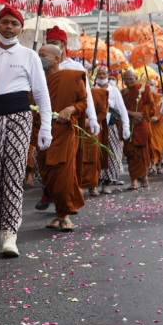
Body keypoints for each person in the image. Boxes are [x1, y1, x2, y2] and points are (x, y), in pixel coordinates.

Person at [0, 5, 52, 258]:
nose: (9, 27)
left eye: (15, 23)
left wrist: (46, 128)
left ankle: (9, 233)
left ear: (21, 29)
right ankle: (10, 216)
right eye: (5, 22)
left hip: (19, 118)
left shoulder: (30, 56)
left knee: (13, 172)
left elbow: (41, 92)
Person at [33, 45, 87, 232]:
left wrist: (70, 109)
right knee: (47, 174)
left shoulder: (72, 77)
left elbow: (83, 102)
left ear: (56, 59)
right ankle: (58, 212)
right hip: (42, 133)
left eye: (43, 55)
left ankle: (64, 215)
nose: (39, 58)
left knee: (63, 173)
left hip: (64, 133)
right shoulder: (35, 79)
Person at [45, 27, 100, 200]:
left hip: (70, 123)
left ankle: (68, 199)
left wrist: (92, 118)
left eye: (54, 43)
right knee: (46, 161)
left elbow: (87, 95)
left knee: (68, 162)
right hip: (47, 121)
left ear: (63, 45)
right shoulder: (42, 67)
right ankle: (50, 194)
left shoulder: (76, 67)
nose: (50, 46)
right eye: (48, 43)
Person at [95, 66, 131, 193]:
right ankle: (93, 183)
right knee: (95, 155)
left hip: (111, 126)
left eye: (104, 73)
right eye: (99, 74)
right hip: (96, 126)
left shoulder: (114, 90)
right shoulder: (91, 89)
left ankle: (106, 183)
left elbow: (122, 110)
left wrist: (126, 127)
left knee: (112, 154)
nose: (102, 76)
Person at [121, 69, 155, 190]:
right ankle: (134, 180)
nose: (129, 81)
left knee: (143, 152)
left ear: (136, 79)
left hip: (141, 123)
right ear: (123, 80)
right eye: (127, 79)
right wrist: (132, 114)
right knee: (131, 153)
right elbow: (119, 109)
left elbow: (151, 105)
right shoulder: (122, 93)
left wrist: (140, 115)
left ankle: (144, 175)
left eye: (131, 79)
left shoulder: (144, 89)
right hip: (128, 124)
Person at [147, 78, 163, 175]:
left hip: (159, 125)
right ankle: (152, 166)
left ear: (155, 86)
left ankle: (159, 166)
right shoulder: (144, 97)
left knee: (160, 145)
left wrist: (158, 117)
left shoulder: (161, 97)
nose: (150, 86)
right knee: (151, 145)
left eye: (152, 84)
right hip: (149, 123)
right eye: (148, 84)